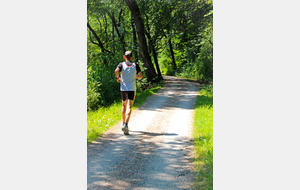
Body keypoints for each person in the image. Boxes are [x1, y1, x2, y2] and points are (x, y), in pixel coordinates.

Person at [115, 51, 143, 135]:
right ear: (131, 57)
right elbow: (140, 76)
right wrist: (134, 76)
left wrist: (118, 78)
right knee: (130, 107)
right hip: (131, 89)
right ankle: (126, 125)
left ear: (124, 57)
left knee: (123, 105)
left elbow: (116, 70)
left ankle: (123, 123)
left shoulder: (121, 64)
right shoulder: (135, 65)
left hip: (123, 89)